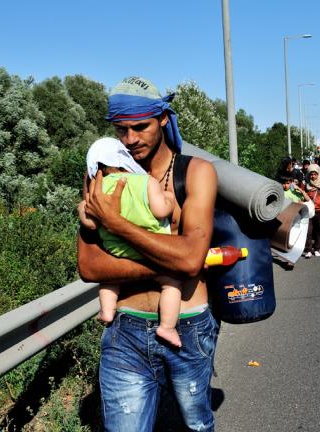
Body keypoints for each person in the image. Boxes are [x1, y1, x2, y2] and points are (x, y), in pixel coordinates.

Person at [77, 76, 219, 431]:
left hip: (187, 327)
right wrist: (167, 263)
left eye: (140, 127)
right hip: (124, 328)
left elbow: (190, 259)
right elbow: (89, 266)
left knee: (195, 427)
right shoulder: (100, 176)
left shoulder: (195, 173)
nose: (130, 139)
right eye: (121, 130)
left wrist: (118, 224)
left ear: (163, 119)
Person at [80, 137, 182, 347]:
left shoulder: (98, 191)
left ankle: (107, 311)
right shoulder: (146, 182)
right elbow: (161, 210)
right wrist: (169, 198)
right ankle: (167, 327)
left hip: (116, 250)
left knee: (109, 282)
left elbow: (90, 224)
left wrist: (81, 207)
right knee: (171, 283)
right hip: (150, 248)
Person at [302, 164, 320, 258]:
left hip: (319, 211)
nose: (313, 176)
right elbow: (301, 195)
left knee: (318, 230)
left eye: (315, 174)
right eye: (311, 174)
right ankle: (309, 250)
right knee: (308, 231)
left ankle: (316, 249)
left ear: (318, 174)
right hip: (308, 210)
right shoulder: (305, 183)